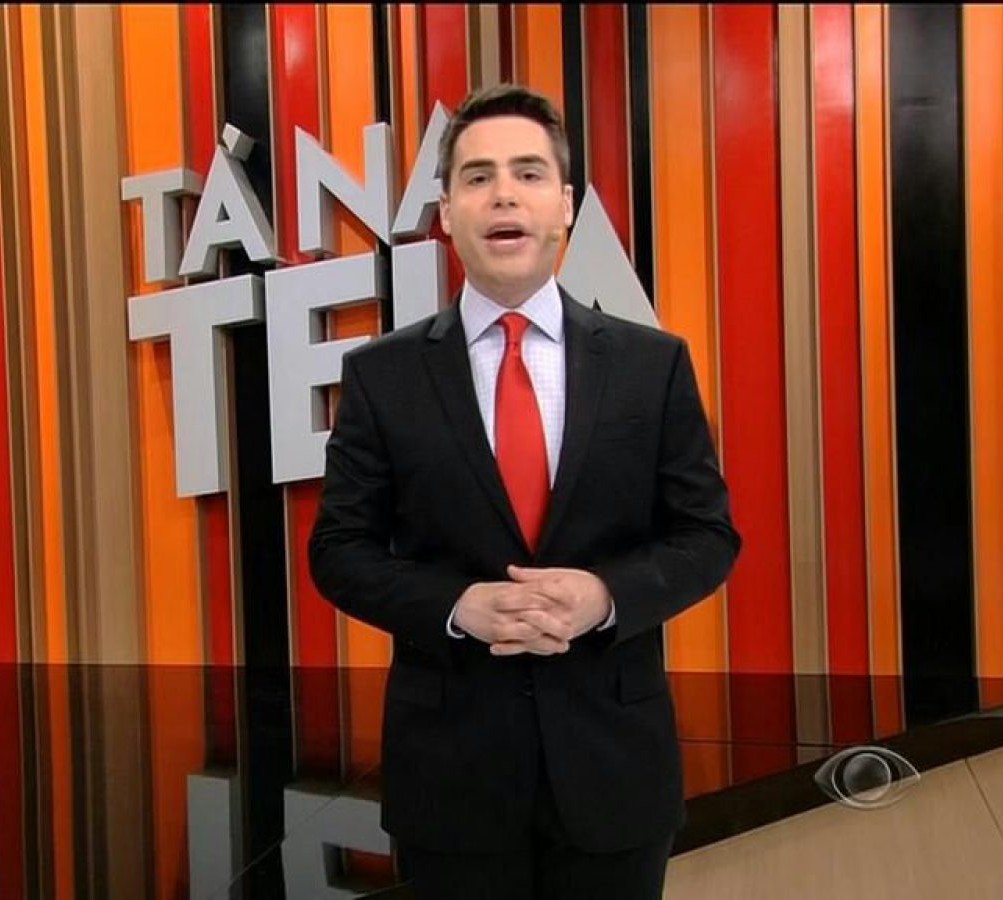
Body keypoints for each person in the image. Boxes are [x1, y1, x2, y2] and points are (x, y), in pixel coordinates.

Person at [308, 83, 740, 900]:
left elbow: (707, 535)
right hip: (450, 775)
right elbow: (338, 550)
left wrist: (604, 597)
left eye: (529, 173)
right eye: (477, 177)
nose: (503, 193)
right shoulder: (381, 376)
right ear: (446, 213)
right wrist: (455, 606)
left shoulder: (652, 365)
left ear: (564, 206)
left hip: (615, 767)